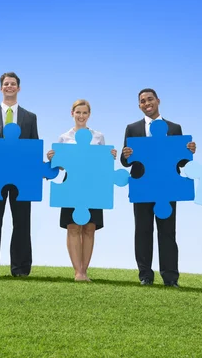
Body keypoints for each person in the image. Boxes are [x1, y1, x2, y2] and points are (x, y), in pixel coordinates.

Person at [120, 88, 196, 288]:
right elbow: (125, 162)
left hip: (167, 187)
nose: (147, 103)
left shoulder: (174, 128)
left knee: (168, 232)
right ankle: (145, 275)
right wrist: (126, 155)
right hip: (142, 187)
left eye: (150, 99)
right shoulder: (132, 129)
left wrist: (189, 152)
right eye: (143, 101)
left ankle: (170, 278)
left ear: (158, 101)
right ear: (139, 106)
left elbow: (181, 163)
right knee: (143, 231)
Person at [46, 99, 117, 282]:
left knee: (90, 228)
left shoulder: (98, 137)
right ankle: (77, 272)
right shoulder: (64, 137)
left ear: (89, 115)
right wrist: (52, 157)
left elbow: (103, 165)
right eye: (78, 112)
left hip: (93, 185)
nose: (81, 116)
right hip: (72, 185)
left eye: (85, 113)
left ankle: (85, 271)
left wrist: (111, 156)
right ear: (72, 113)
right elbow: (60, 168)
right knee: (73, 226)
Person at [0, 72, 39, 277]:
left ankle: (20, 269)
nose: (9, 87)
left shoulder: (30, 117)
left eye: (13, 84)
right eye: (6, 84)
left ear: (18, 88)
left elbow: (33, 146)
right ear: (0, 88)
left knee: (22, 222)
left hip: (22, 178)